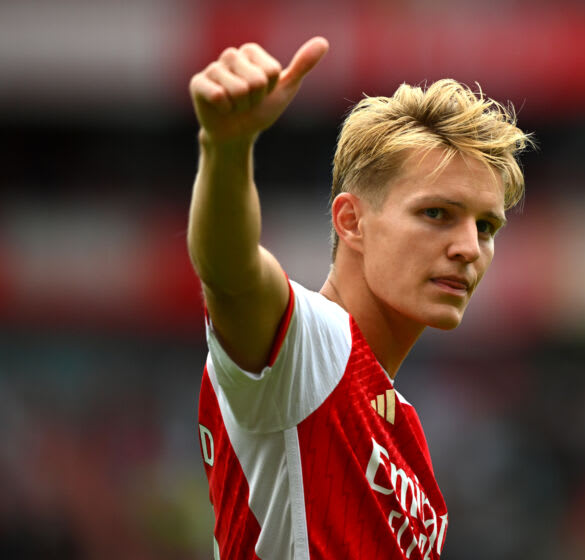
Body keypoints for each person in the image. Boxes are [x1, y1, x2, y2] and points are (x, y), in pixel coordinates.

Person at [188, 36, 533, 560]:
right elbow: (229, 271)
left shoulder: (403, 427)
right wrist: (226, 148)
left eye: (485, 226)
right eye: (436, 213)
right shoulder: (309, 349)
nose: (468, 248)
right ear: (351, 222)